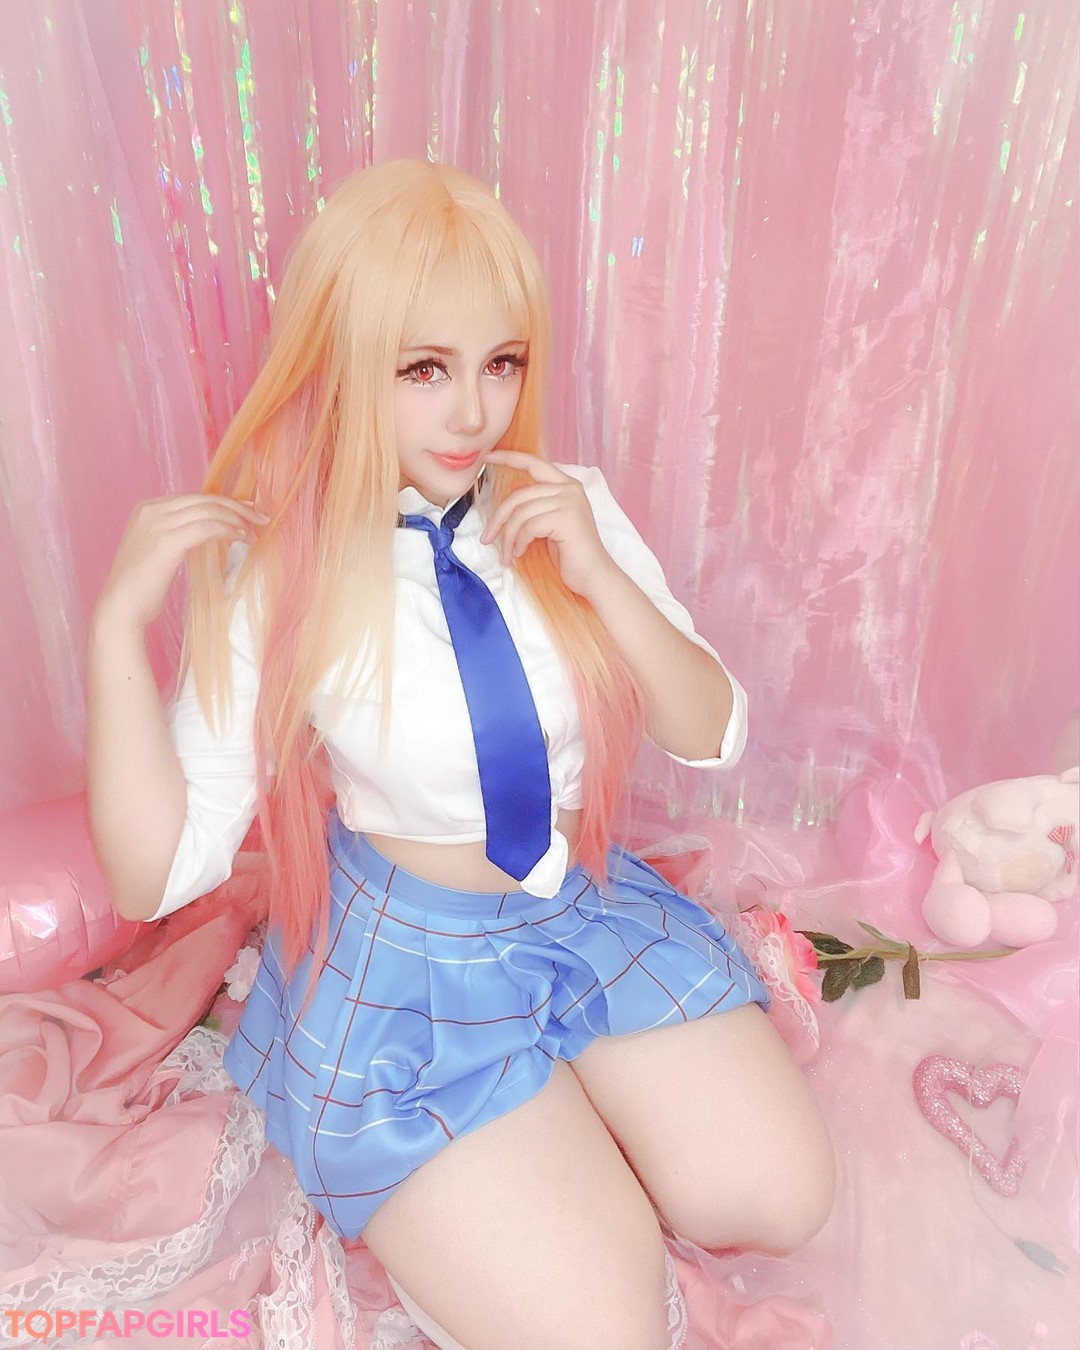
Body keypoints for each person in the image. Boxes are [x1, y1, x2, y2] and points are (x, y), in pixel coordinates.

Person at [86, 159, 835, 1350]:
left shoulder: (561, 502)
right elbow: (153, 876)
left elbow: (711, 732)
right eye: (424, 369)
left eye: (503, 362)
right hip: (411, 972)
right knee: (602, 1332)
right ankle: (512, 1156)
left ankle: (566, 1107)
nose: (476, 413)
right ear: (343, 365)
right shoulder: (274, 568)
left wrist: (599, 577)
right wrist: (117, 630)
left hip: (577, 912)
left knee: (783, 1198)